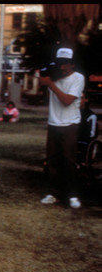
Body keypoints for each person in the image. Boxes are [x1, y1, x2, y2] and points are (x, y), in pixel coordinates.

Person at [39, 47, 85, 209]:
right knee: (52, 160)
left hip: (70, 124)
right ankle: (53, 193)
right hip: (54, 123)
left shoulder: (78, 78)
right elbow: (42, 80)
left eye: (65, 64)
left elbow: (67, 101)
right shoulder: (54, 76)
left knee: (68, 161)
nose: (62, 67)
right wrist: (47, 78)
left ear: (72, 64)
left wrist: (51, 84)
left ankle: (72, 195)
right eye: (60, 63)